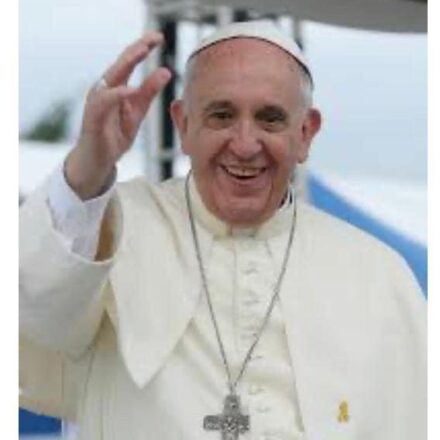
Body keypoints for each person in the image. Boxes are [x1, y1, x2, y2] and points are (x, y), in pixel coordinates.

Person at [19, 21, 426, 440]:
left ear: (305, 133)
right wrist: (85, 169)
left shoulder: (378, 276)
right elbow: (35, 309)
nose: (245, 145)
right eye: (222, 116)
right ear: (182, 125)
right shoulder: (108, 228)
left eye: (270, 119)